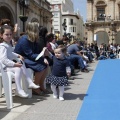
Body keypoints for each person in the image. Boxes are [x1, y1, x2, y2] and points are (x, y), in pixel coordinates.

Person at [0, 25, 40, 98]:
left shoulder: (7, 45)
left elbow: (10, 53)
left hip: (7, 65)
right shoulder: (2, 46)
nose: (9, 36)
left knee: (21, 62)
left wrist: (18, 55)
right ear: (1, 35)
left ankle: (30, 82)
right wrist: (14, 64)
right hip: (3, 67)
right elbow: (3, 59)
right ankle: (19, 89)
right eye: (6, 34)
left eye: (10, 34)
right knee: (18, 68)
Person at [14, 22, 49, 95]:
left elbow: (36, 52)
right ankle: (35, 87)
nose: (39, 30)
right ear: (34, 30)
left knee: (46, 64)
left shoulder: (33, 39)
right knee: (41, 66)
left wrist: (43, 57)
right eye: (37, 29)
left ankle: (40, 85)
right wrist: (41, 56)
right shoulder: (24, 39)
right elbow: (30, 54)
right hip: (20, 59)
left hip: (27, 57)